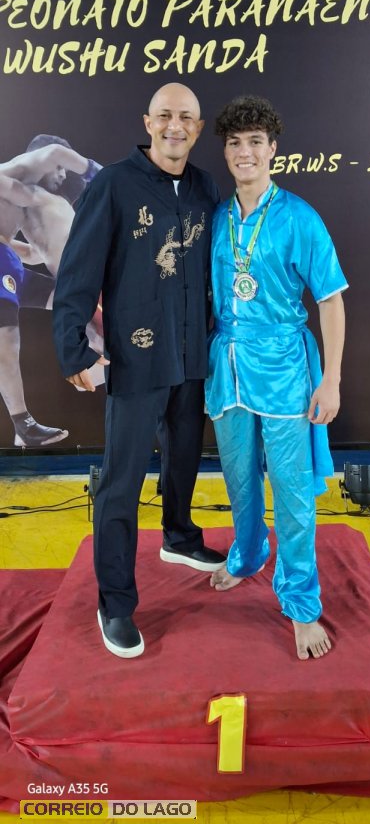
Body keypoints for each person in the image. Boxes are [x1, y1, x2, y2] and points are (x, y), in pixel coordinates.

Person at [52, 82, 226, 659]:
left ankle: (180, 536)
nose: (176, 126)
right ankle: (116, 603)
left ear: (198, 128)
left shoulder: (204, 187)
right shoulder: (112, 185)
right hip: (136, 355)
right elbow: (77, 271)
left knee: (184, 455)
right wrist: (74, 350)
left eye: (187, 118)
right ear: (148, 122)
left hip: (191, 355)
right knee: (121, 482)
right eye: (165, 116)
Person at [205, 95, 347, 661]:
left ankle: (301, 604)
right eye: (235, 143)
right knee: (239, 479)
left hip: (286, 368)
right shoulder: (216, 218)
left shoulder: (299, 217)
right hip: (227, 368)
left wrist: (331, 379)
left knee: (290, 491)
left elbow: (331, 300)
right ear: (226, 151)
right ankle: (246, 555)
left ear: (273, 150)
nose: (245, 152)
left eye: (255, 142)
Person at [0, 138, 99, 446]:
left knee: (76, 307)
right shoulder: (18, 169)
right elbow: (54, 152)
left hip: (11, 262)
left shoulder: (28, 201)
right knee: (6, 339)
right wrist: (97, 173)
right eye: (60, 169)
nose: (63, 174)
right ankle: (23, 424)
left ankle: (101, 370)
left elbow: (32, 253)